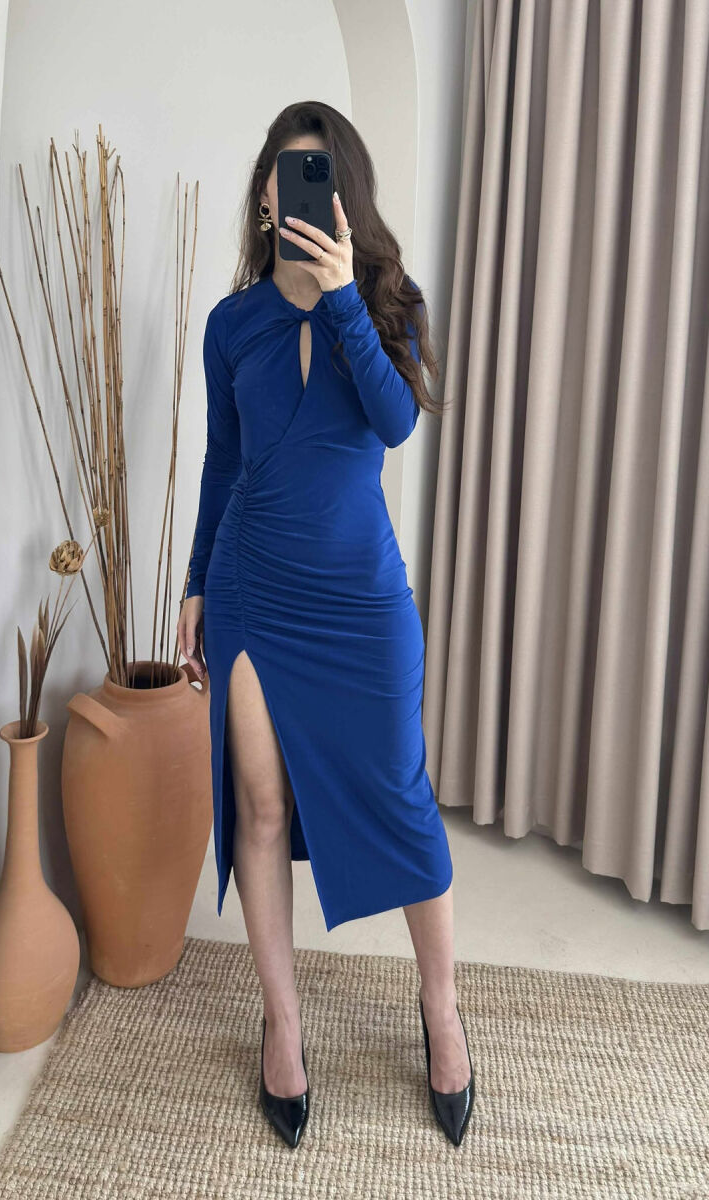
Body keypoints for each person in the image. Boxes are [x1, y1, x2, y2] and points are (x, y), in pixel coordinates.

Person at [177, 101, 474, 1150]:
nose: (296, 188)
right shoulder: (231, 325)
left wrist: (343, 296)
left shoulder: (390, 304)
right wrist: (196, 583)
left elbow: (394, 424)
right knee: (260, 808)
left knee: (401, 800)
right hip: (253, 588)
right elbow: (222, 460)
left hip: (358, 599)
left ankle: (441, 1008)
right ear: (265, 193)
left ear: (345, 196)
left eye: (319, 174)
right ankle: (284, 1027)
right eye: (283, 172)